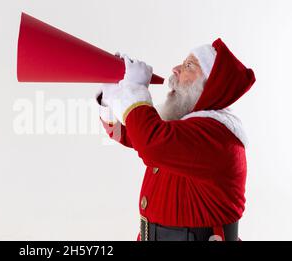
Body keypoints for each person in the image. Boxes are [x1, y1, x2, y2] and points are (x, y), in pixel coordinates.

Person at [96, 38, 255, 241]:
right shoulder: (186, 128)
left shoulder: (215, 133)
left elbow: (148, 142)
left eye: (189, 65)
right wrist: (109, 99)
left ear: (210, 84)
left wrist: (135, 88)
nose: (176, 69)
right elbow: (127, 135)